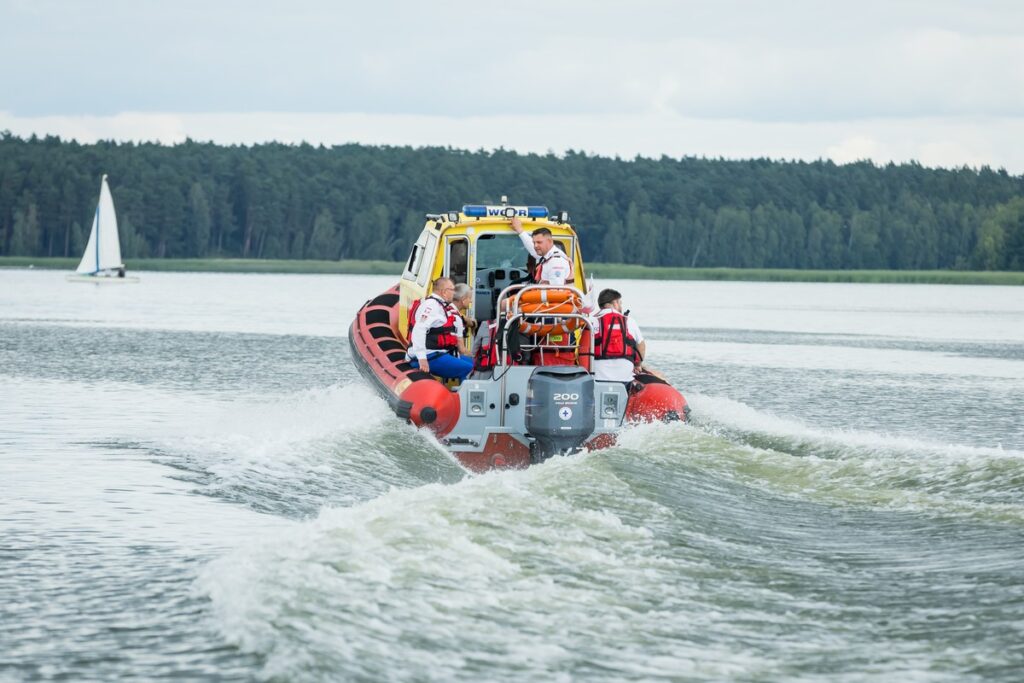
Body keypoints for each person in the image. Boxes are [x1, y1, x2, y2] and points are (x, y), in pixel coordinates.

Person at [407, 277, 474, 382]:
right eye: (452, 290)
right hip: (429, 355)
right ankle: (465, 397)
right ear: (444, 292)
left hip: (437, 353)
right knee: (470, 369)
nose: (454, 293)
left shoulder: (440, 305)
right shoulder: (432, 306)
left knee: (472, 364)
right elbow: (419, 329)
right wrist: (422, 358)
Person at [590, 288, 646, 384]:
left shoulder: (591, 321)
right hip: (625, 377)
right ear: (615, 303)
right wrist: (637, 365)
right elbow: (641, 346)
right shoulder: (630, 321)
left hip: (597, 376)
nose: (621, 306)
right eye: (620, 303)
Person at [510, 216, 574, 286]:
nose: (535, 246)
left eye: (539, 242)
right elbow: (532, 249)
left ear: (550, 241)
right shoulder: (547, 256)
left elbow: (556, 291)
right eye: (534, 242)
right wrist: (519, 230)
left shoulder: (556, 261)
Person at [452, 282, 476, 357]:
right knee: (470, 364)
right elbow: (462, 349)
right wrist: (474, 356)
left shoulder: (450, 310)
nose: (471, 301)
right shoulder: (456, 318)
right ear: (463, 299)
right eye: (470, 298)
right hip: (444, 354)